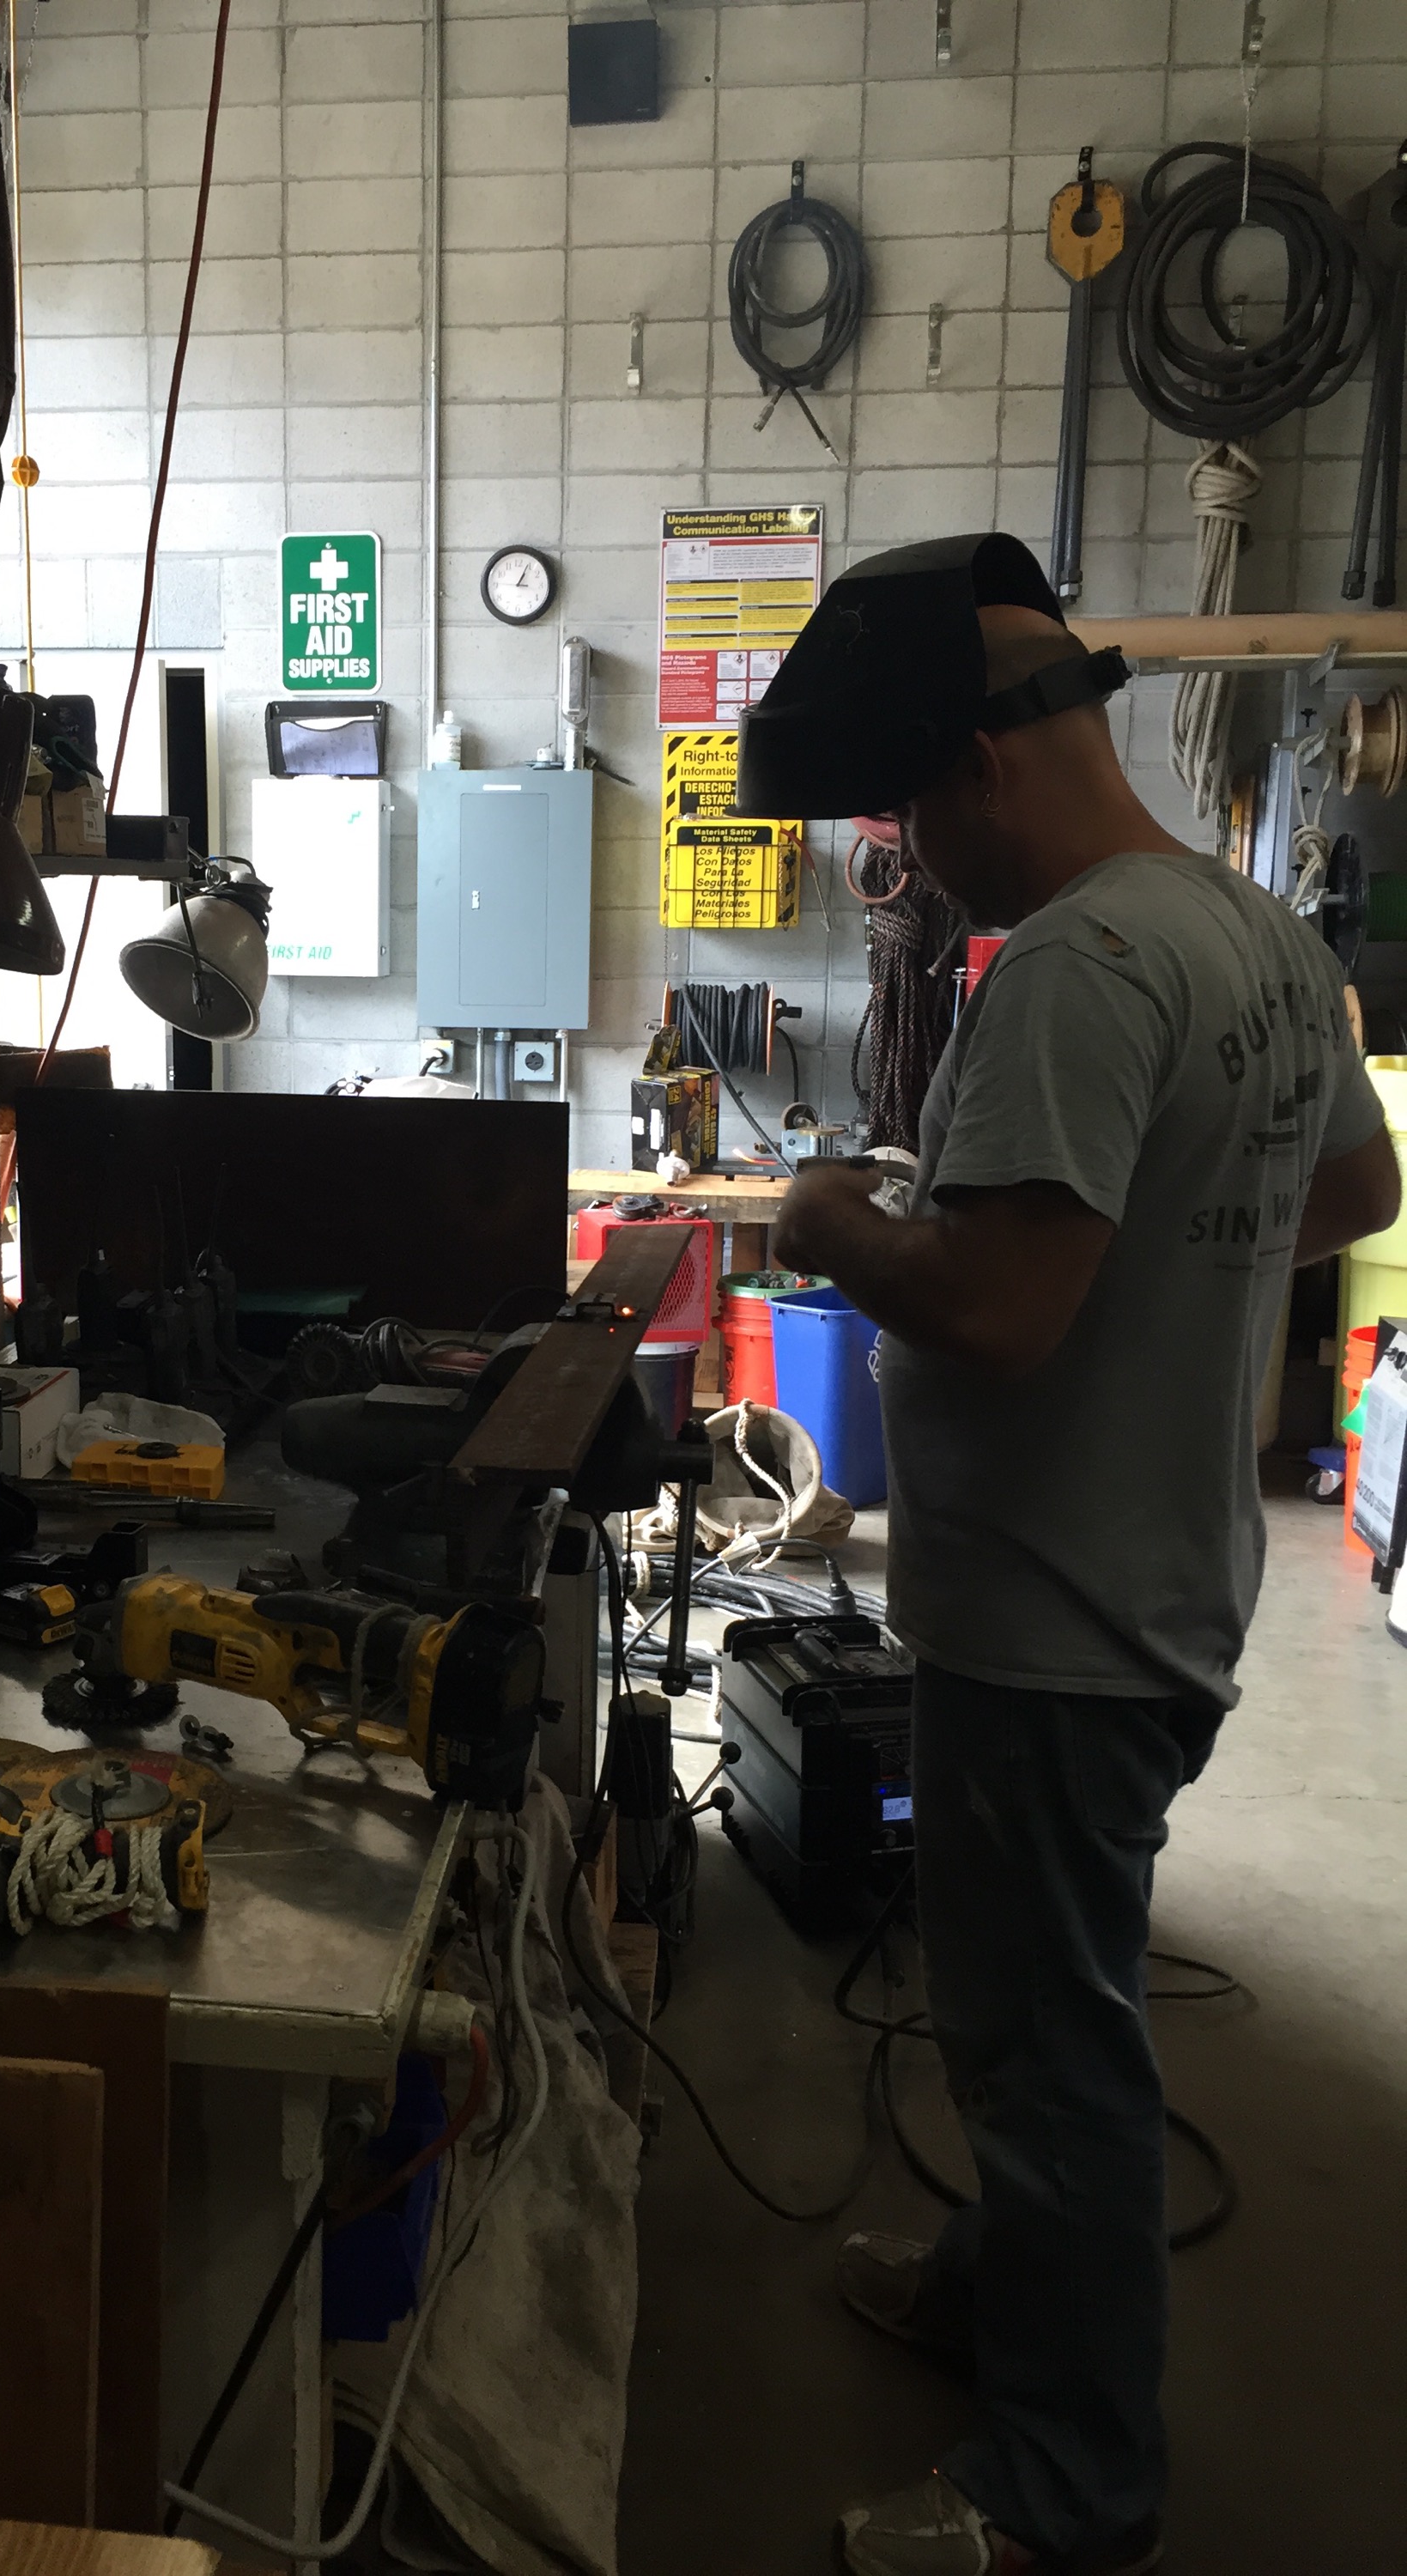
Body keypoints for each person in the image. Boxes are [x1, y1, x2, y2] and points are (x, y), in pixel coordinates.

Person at [746, 536, 1401, 2576]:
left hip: (1052, 1621)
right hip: (1167, 1584)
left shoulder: (1075, 969)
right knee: (1032, 2002)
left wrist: (831, 1223)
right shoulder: (1256, 936)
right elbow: (1349, 1187)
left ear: (982, 765)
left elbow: (1001, 1309)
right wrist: (1160, 1258)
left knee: (1050, 2056)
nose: (913, 861)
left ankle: (1066, 2492)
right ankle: (986, 2290)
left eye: (910, 813)